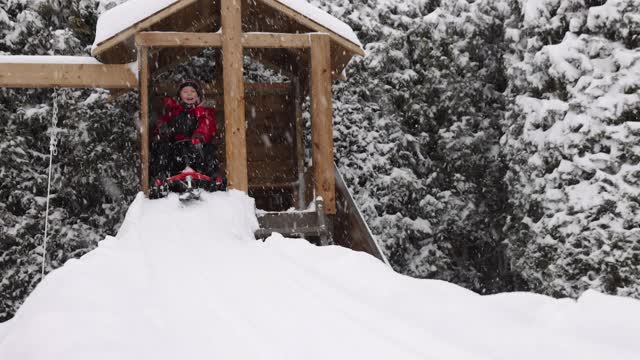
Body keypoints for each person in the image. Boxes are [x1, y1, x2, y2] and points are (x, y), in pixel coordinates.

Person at [150, 80, 218, 184]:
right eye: (185, 91)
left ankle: (212, 175)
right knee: (163, 148)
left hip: (196, 147)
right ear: (180, 95)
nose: (189, 94)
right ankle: (161, 175)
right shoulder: (174, 110)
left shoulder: (202, 110)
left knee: (209, 149)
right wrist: (163, 129)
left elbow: (207, 124)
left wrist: (200, 135)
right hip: (176, 149)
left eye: (192, 91)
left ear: (198, 94)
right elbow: (162, 120)